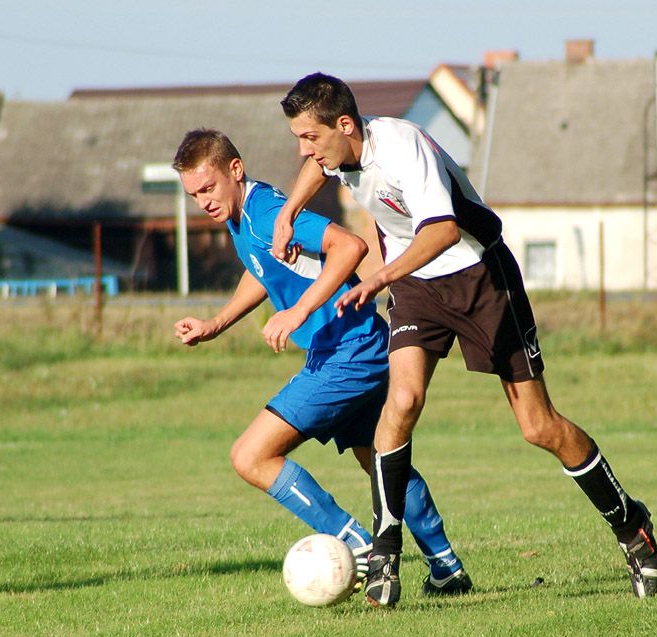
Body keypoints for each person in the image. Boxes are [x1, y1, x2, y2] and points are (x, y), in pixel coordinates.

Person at [272, 73, 657, 607]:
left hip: (480, 276)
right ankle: (386, 556)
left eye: (309, 136)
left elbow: (444, 230)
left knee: (537, 425)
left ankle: (631, 525)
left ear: (345, 125)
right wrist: (290, 212)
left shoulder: (403, 149)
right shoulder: (336, 150)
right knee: (402, 400)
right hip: (416, 283)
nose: (304, 149)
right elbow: (317, 166)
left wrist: (380, 277)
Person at [170, 128, 472, 597]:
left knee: (251, 456)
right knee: (378, 457)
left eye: (208, 188)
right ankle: (445, 565)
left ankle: (359, 546)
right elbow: (263, 271)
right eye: (194, 195)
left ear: (235, 170)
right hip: (356, 345)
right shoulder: (244, 217)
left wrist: (298, 311)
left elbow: (350, 247)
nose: (203, 201)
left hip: (347, 351)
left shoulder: (265, 211)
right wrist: (216, 323)